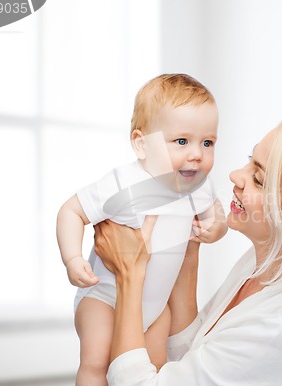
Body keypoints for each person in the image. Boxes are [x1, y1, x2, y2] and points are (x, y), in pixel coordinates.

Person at [94, 117, 282, 385]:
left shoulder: (280, 329)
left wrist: (129, 274)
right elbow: (195, 355)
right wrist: (189, 252)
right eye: (249, 161)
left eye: (259, 179)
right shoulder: (273, 262)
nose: (235, 176)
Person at [56, 74, 228, 385]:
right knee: (97, 362)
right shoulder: (123, 183)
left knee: (155, 368)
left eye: (207, 142)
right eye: (181, 141)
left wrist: (216, 228)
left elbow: (216, 215)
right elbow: (71, 211)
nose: (196, 154)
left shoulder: (199, 187)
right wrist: (72, 259)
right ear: (141, 145)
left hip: (156, 307)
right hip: (105, 297)